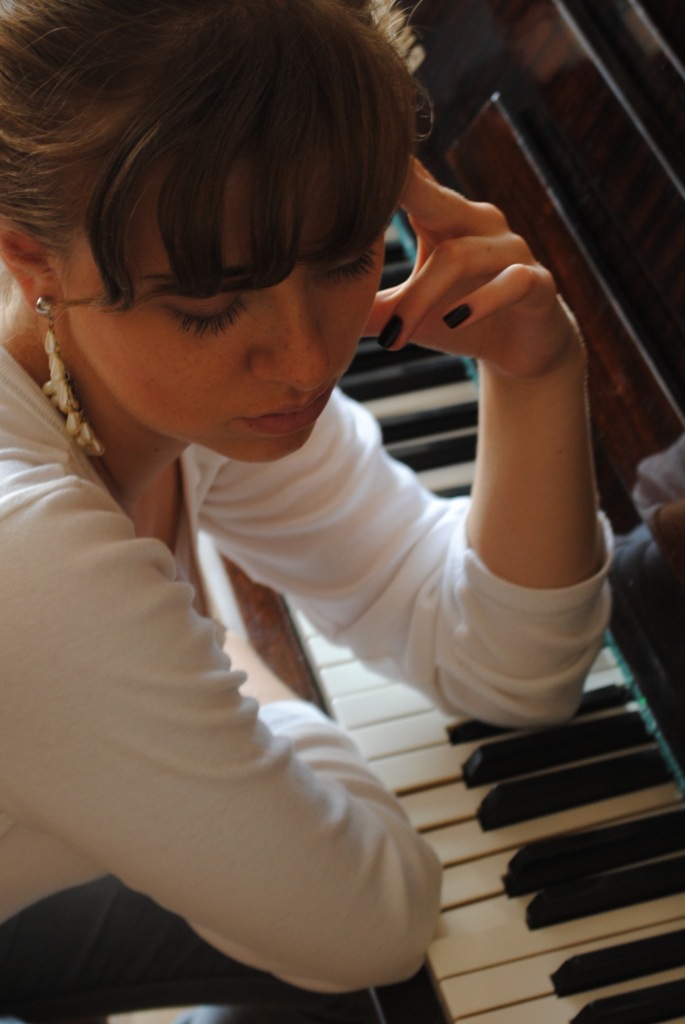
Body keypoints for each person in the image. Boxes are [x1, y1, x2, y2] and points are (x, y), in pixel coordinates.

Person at [0, 0, 610, 1021]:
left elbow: (508, 668)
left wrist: (538, 370)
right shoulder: (29, 558)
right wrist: (220, 655)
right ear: (32, 261)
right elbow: (371, 920)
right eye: (207, 306)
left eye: (345, 258)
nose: (304, 361)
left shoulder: (154, 378)